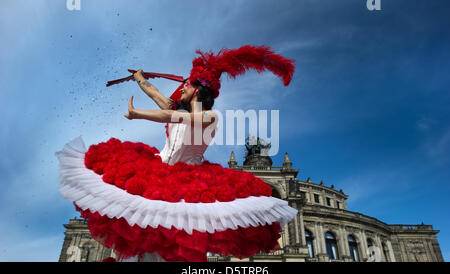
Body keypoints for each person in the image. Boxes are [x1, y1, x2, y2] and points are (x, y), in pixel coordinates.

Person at [56, 45, 297, 262]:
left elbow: (174, 116)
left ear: (197, 90)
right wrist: (140, 79)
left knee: (175, 243)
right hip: (157, 174)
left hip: (188, 185)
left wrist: (138, 113)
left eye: (187, 85)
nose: (181, 88)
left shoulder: (209, 117)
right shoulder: (181, 107)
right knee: (147, 238)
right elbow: (158, 96)